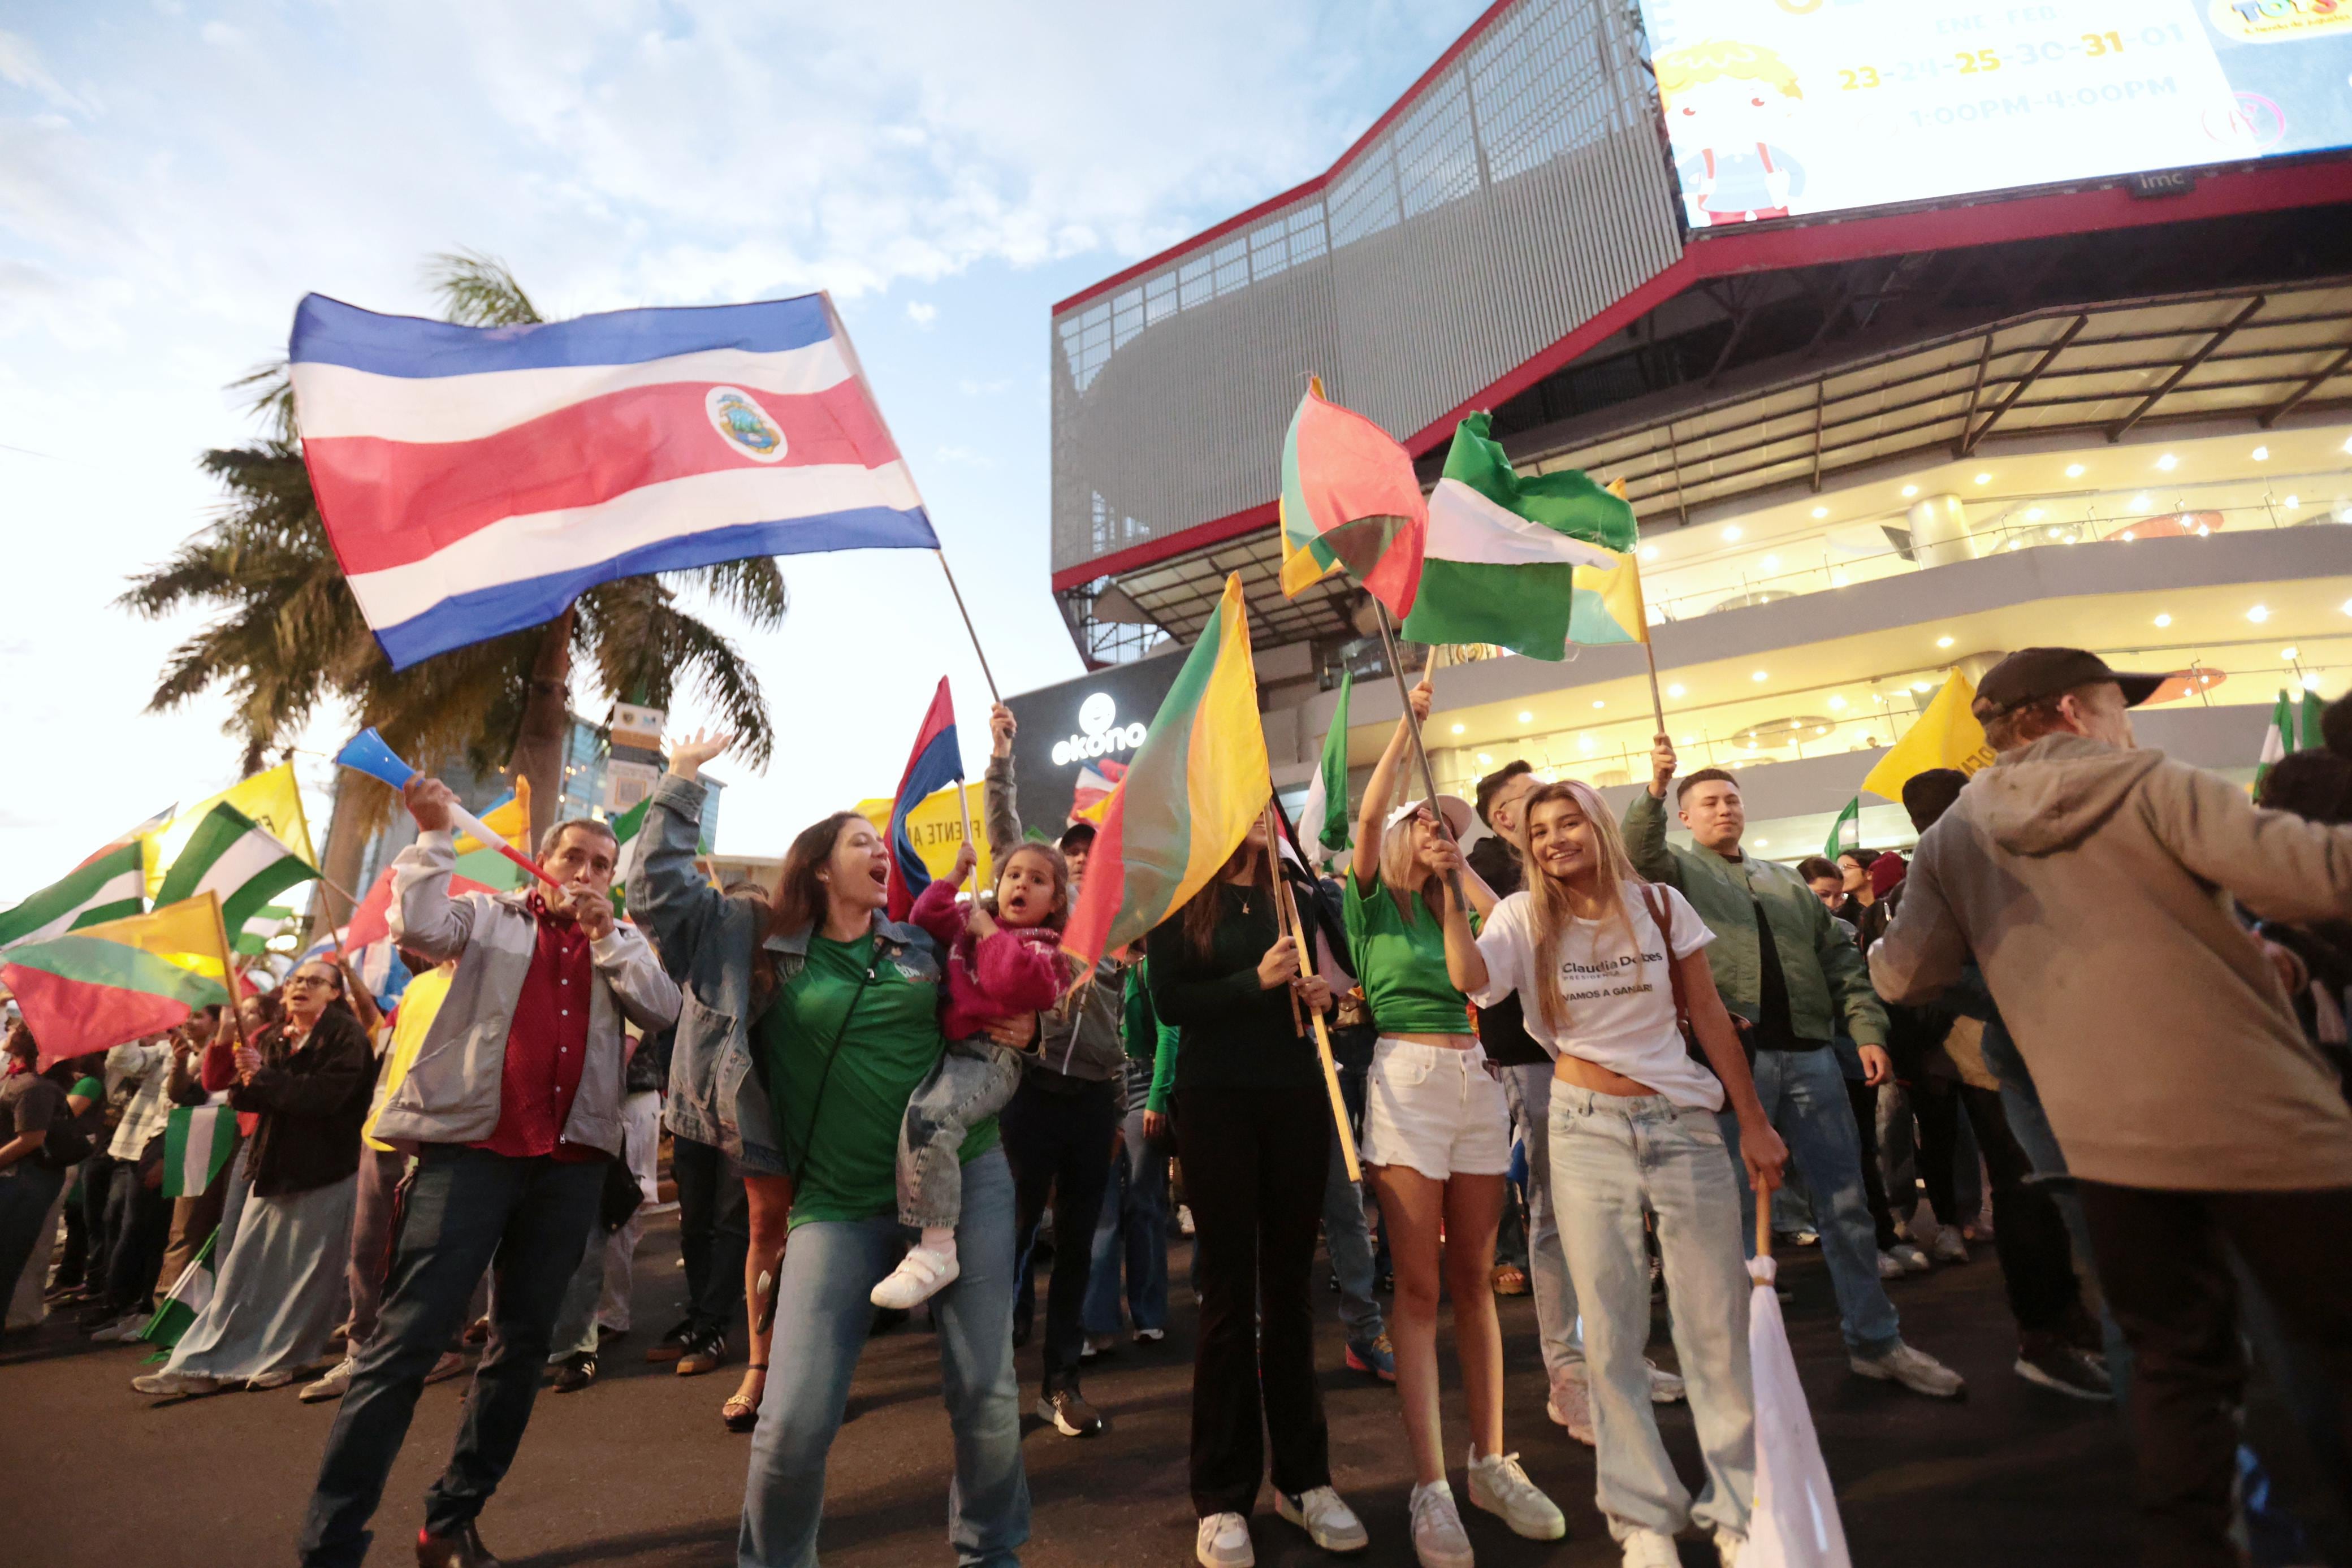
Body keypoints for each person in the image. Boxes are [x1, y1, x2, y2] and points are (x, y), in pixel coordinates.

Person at [1870, 647, 2352, 1568]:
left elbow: (1901, 971)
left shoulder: (1954, 835)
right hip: (2267, 1128)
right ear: (2071, 711)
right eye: (2113, 701)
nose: (2125, 717)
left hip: (2108, 1147)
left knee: (2176, 1369)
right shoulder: (2151, 782)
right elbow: (2311, 875)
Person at [632, 731, 1032, 1568]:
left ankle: (991, 1554)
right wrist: (680, 781)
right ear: (817, 864)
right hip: (836, 1204)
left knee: (986, 1394)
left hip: (966, 1186)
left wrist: (1021, 1014)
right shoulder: (754, 941)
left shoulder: (920, 946)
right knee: (790, 1423)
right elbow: (659, 896)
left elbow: (1007, 977)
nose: (880, 854)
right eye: (861, 842)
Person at [296, 790, 682, 1568]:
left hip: (570, 1166)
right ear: (543, 861)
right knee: (404, 1345)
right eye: (573, 857)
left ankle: (451, 1519)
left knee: (522, 1345)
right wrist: (435, 835)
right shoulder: (491, 917)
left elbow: (663, 1007)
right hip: (471, 1157)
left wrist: (610, 936)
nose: (586, 873)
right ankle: (331, 1542)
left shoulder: (622, 940)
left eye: (602, 865)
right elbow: (419, 924)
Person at [1445, 778, 1788, 1568]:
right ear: (1526, 847)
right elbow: (1471, 978)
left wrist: (1755, 1122)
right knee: (1613, 1326)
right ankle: (1642, 1518)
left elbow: (1707, 1015)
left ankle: (1739, 1510)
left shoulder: (1661, 905)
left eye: (1569, 822)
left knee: (1714, 1327)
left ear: (1599, 826)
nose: (1557, 838)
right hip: (1583, 1125)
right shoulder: (1520, 916)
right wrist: (1441, 894)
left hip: (1685, 1123)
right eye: (1540, 831)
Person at [1626, 746, 1963, 1398]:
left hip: (1809, 1054)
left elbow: (1841, 962)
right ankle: (1729, 1369)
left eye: (1731, 798)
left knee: (1845, 1205)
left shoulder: (1784, 882)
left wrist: (1864, 1029)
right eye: (1709, 802)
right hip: (1725, 1063)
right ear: (1686, 818)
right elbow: (1639, 853)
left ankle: (1875, 1339)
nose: (1724, 808)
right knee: (1715, 1218)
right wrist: (1653, 789)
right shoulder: (1675, 876)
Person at [1346, 677, 1562, 1568]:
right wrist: (1410, 726)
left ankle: (1489, 1462)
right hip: (1405, 1075)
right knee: (1420, 1287)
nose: (1437, 833)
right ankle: (1430, 1483)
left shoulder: (1458, 896)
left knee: (1477, 1277)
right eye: (1424, 824)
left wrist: (1458, 868)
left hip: (1480, 1072)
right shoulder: (1368, 900)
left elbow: (1505, 927)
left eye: (1449, 825)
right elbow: (1364, 822)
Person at [1149, 815, 1368, 1568]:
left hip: (1297, 1098)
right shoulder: (1180, 897)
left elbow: (1338, 996)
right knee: (1226, 1296)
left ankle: (1304, 1479)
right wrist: (1256, 981)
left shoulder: (1297, 893)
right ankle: (1219, 1495)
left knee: (1292, 1292)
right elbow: (1170, 1002)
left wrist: (1317, 994)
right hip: (1214, 1106)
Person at [1470, 758, 1680, 1440]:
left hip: (1623, 1063)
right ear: (1504, 821)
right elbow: (1479, 966)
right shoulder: (1491, 872)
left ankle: (1617, 1354)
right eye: (1526, 809)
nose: (1551, 825)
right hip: (1539, 1063)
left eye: (1563, 813)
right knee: (1558, 1217)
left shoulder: (1604, 875)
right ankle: (1568, 1374)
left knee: (1624, 1215)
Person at [984, 702, 1128, 1439]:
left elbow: (1111, 1031)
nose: (1042, 874)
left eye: (1071, 859)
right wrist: (1002, 755)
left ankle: (1060, 1385)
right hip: (1024, 1101)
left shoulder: (1106, 930)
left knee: (1076, 1246)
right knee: (1004, 1242)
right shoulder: (1023, 928)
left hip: (1092, 1104)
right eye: (1027, 872)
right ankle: (985, 1384)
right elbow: (1007, 837)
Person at [132, 958, 374, 1397]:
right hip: (272, 1165)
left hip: (324, 1169)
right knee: (245, 1269)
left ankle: (290, 1356)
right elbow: (245, 1098)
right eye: (296, 980)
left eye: (315, 982)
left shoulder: (346, 1036)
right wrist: (248, 1074)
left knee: (305, 1275)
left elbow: (325, 1097)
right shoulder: (279, 1037)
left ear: (335, 993)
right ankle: (201, 1361)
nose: (301, 986)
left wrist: (263, 1077)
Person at [871, 834, 1070, 1310]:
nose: (1020, 885)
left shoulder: (1048, 948)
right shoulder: (977, 922)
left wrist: (990, 934)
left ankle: (937, 1249)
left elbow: (1010, 981)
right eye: (1013, 876)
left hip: (991, 1056)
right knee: (916, 1116)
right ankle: (921, 1234)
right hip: (953, 1050)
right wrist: (957, 876)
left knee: (935, 1121)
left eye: (1037, 880)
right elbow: (924, 918)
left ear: (1055, 902)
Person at [302, 953, 468, 1404]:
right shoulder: (416, 989)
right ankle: (363, 1348)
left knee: (430, 1251)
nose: (405, 941)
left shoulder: (475, 983)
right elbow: (386, 1049)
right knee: (369, 1250)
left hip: (435, 1135)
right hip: (383, 1134)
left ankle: (440, 1348)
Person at [1083, 959, 1175, 1357]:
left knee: (1143, 1201)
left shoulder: (1148, 966)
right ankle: (1095, 1323)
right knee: (1099, 1209)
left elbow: (1169, 1031)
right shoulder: (1083, 960)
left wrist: (1159, 1096)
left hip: (1141, 1085)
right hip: (1096, 1085)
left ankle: (1149, 1314)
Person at [0, 1021, 77, 1320]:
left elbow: (31, 1139)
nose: (9, 1028)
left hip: (22, 1182)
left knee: (5, 1261)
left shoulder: (35, 1086)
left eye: (17, 1026)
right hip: (14, 1179)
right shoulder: (15, 1077)